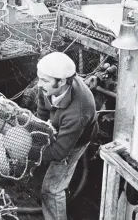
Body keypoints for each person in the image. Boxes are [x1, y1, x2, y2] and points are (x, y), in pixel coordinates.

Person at [36, 51, 98, 220]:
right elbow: (42, 111)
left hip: (76, 140)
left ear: (62, 81)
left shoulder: (78, 111)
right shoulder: (49, 84)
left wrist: (31, 153)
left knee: (52, 189)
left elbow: (59, 153)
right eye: (39, 78)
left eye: (44, 80)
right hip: (59, 126)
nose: (39, 84)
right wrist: (38, 132)